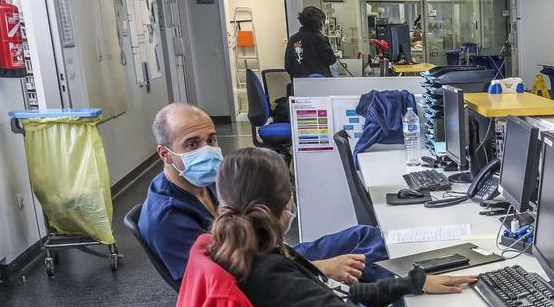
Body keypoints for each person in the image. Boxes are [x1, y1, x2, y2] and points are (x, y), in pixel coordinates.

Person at [209, 146, 540, 307]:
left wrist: (413, 284)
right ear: (285, 201)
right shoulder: (272, 277)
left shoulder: (261, 252)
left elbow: (337, 298)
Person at [139, 103, 386, 285]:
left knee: (366, 236)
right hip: (258, 278)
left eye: (211, 140)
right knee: (363, 263)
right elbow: (222, 284)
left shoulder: (207, 182)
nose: (207, 150)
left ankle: (404, 286)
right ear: (165, 154)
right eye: (192, 144)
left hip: (268, 255)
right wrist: (317, 268)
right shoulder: (166, 218)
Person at [284, 6, 336, 79]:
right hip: (321, 85)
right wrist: (324, 37)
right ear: (320, 23)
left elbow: (288, 66)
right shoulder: (319, 39)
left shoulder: (293, 39)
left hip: (299, 84)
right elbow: (331, 60)